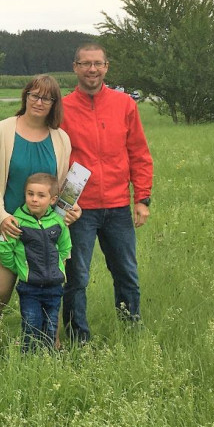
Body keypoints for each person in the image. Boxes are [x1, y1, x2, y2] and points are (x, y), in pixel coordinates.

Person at [0, 74, 81, 334]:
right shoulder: (2, 131)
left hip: (46, 234)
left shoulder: (60, 138)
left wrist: (71, 209)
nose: (39, 102)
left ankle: (47, 348)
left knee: (48, 294)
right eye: (34, 95)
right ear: (26, 96)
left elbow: (61, 184)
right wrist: (1, 216)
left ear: (55, 103)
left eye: (47, 98)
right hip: (9, 228)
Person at [61, 43, 153, 343]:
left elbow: (138, 152)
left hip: (116, 206)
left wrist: (142, 198)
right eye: (85, 63)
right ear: (75, 67)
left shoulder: (125, 105)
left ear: (106, 67)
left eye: (97, 63)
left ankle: (131, 331)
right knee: (76, 278)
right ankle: (78, 339)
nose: (92, 69)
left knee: (126, 274)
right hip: (77, 209)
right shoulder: (61, 108)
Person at [0, 172, 71, 351]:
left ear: (53, 200)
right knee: (31, 325)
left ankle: (48, 358)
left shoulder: (58, 221)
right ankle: (28, 359)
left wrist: (59, 267)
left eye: (40, 195)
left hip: (54, 286)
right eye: (30, 194)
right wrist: (21, 268)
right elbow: (3, 249)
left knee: (51, 327)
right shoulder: (17, 221)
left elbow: (65, 247)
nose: (34, 199)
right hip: (30, 287)